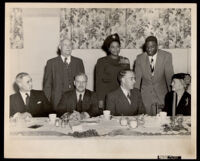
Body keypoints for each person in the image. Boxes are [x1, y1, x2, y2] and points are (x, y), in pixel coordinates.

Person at [134, 36, 174, 115]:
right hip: (145, 96)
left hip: (161, 96)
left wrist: (172, 96)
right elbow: (137, 80)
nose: (149, 49)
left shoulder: (166, 56)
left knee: (161, 122)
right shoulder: (140, 58)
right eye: (147, 47)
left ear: (157, 46)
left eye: (152, 47)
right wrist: (135, 98)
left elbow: (169, 78)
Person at [43, 38, 85, 110]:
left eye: (70, 45)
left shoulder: (78, 62)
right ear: (60, 47)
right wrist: (47, 103)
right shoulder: (51, 63)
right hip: (57, 101)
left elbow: (82, 83)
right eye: (65, 45)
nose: (68, 47)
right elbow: (47, 86)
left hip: (74, 101)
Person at [95, 33, 130, 110]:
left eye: (117, 47)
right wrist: (100, 99)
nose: (115, 49)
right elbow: (98, 82)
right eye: (112, 47)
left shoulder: (125, 60)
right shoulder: (102, 61)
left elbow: (128, 81)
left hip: (121, 96)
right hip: (106, 96)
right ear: (109, 48)